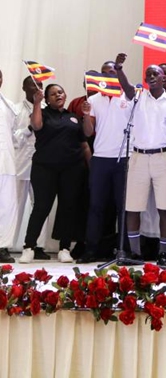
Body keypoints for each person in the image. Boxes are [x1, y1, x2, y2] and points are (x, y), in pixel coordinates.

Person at [19, 84, 91, 263]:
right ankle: (29, 247)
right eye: (52, 94)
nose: (57, 95)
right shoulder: (42, 113)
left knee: (68, 207)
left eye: (60, 92)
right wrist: (37, 103)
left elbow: (85, 141)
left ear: (65, 95)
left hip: (72, 169)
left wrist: (92, 167)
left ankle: (65, 248)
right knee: (42, 206)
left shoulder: (73, 117)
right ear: (47, 99)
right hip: (45, 168)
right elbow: (35, 126)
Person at [125, 64, 166, 267]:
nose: (151, 77)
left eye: (156, 74)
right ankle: (135, 253)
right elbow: (126, 88)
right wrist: (119, 70)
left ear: (164, 79)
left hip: (162, 156)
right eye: (148, 74)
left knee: (165, 206)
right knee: (134, 206)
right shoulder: (138, 97)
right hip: (139, 156)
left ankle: (163, 253)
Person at [78, 57, 134, 263]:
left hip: (124, 158)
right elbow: (88, 132)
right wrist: (85, 115)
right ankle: (91, 249)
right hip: (101, 158)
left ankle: (123, 250)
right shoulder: (93, 100)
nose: (107, 75)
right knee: (96, 205)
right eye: (104, 72)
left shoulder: (128, 96)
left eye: (111, 71)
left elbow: (131, 96)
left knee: (123, 207)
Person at [12, 77, 51, 260]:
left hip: (42, 166)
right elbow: (13, 138)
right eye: (32, 84)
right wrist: (29, 127)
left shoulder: (47, 110)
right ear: (23, 87)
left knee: (42, 206)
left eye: (40, 85)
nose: (37, 88)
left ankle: (38, 245)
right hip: (20, 165)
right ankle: (6, 244)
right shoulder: (16, 109)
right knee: (16, 206)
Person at [0, 69, 19, 263]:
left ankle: (2, 246)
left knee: (6, 206)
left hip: (6, 161)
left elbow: (15, 135)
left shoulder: (8, 104)